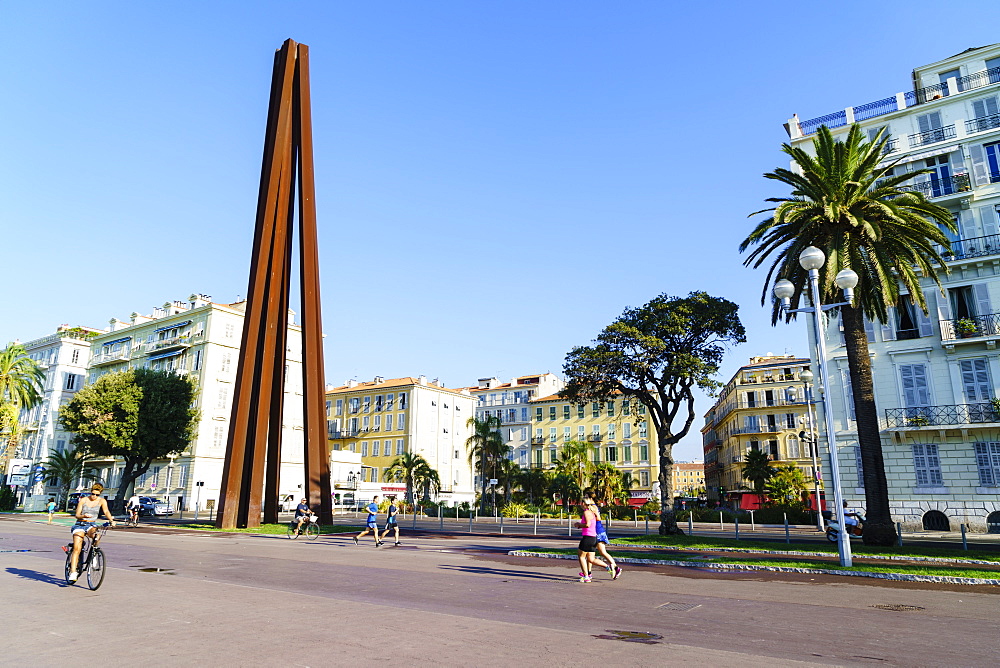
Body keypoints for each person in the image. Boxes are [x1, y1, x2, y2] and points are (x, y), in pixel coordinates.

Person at [68, 484, 115, 582]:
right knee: (77, 548)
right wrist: (83, 516)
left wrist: (111, 520)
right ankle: (73, 572)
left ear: (100, 494)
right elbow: (77, 515)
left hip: (91, 525)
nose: (94, 496)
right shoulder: (84, 500)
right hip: (80, 524)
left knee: (97, 535)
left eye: (97, 495)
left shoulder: (102, 501)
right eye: (92, 494)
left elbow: (106, 511)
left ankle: (94, 554)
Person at [584, 490, 622, 580]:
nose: (584, 499)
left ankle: (616, 568)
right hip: (595, 531)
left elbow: (598, 519)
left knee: (601, 552)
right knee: (590, 554)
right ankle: (589, 573)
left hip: (597, 531)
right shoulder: (592, 507)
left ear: (590, 498)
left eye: (586, 497)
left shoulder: (593, 507)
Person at [574, 497, 609, 583]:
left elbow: (588, 525)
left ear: (583, 503)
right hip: (593, 538)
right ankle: (608, 567)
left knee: (581, 557)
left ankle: (586, 576)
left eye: (581, 502)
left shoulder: (586, 512)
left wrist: (579, 525)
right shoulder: (593, 512)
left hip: (587, 537)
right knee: (591, 559)